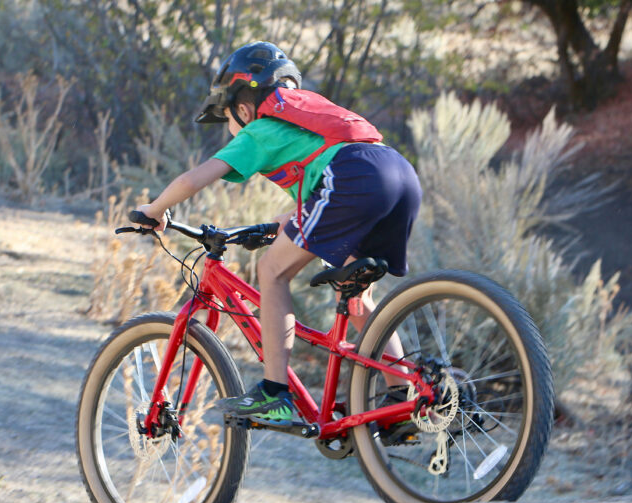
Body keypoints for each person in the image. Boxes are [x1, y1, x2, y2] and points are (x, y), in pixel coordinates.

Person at [131, 41, 421, 427]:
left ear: (244, 107)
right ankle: (403, 398)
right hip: (397, 173)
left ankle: (275, 394)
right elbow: (323, 187)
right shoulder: (306, 122)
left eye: (226, 118)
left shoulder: (261, 130)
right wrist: (275, 226)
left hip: (353, 178)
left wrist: (154, 211)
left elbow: (194, 177)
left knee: (271, 272)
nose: (230, 130)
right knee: (355, 297)